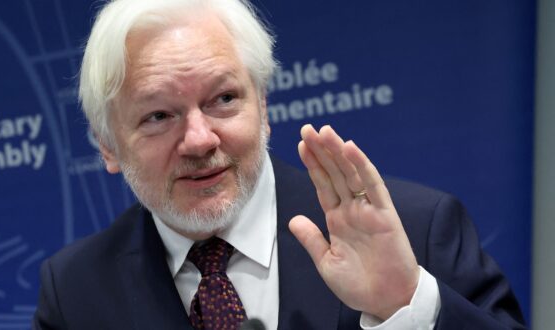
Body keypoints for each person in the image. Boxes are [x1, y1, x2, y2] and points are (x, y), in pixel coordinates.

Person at [33, 0, 526, 329]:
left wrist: (407, 305)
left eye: (224, 98)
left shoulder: (416, 229)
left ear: (263, 105)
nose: (199, 139)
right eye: (159, 115)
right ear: (107, 146)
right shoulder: (75, 292)